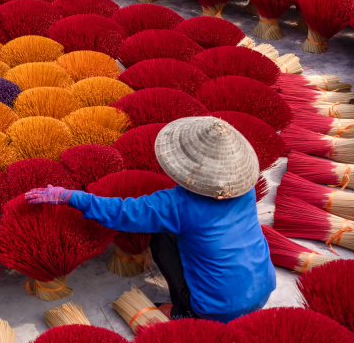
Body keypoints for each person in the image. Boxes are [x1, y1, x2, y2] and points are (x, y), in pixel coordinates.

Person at [26, 116, 276, 322]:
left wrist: (68, 196)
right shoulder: (245, 189)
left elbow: (122, 212)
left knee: (161, 236)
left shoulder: (178, 204)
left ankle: (184, 310)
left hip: (215, 309)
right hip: (262, 291)